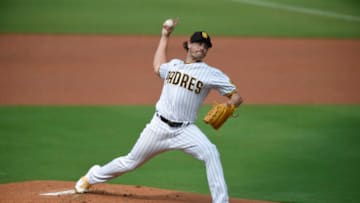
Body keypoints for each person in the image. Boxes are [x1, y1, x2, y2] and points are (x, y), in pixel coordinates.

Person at [74, 19, 243, 203]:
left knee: (211, 152)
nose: (202, 48)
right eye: (199, 44)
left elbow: (236, 96)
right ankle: (91, 177)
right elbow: (157, 67)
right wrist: (165, 35)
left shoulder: (211, 73)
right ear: (189, 44)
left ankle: (221, 201)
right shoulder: (174, 65)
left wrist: (229, 106)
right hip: (158, 127)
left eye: (206, 46)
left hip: (185, 130)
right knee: (130, 162)